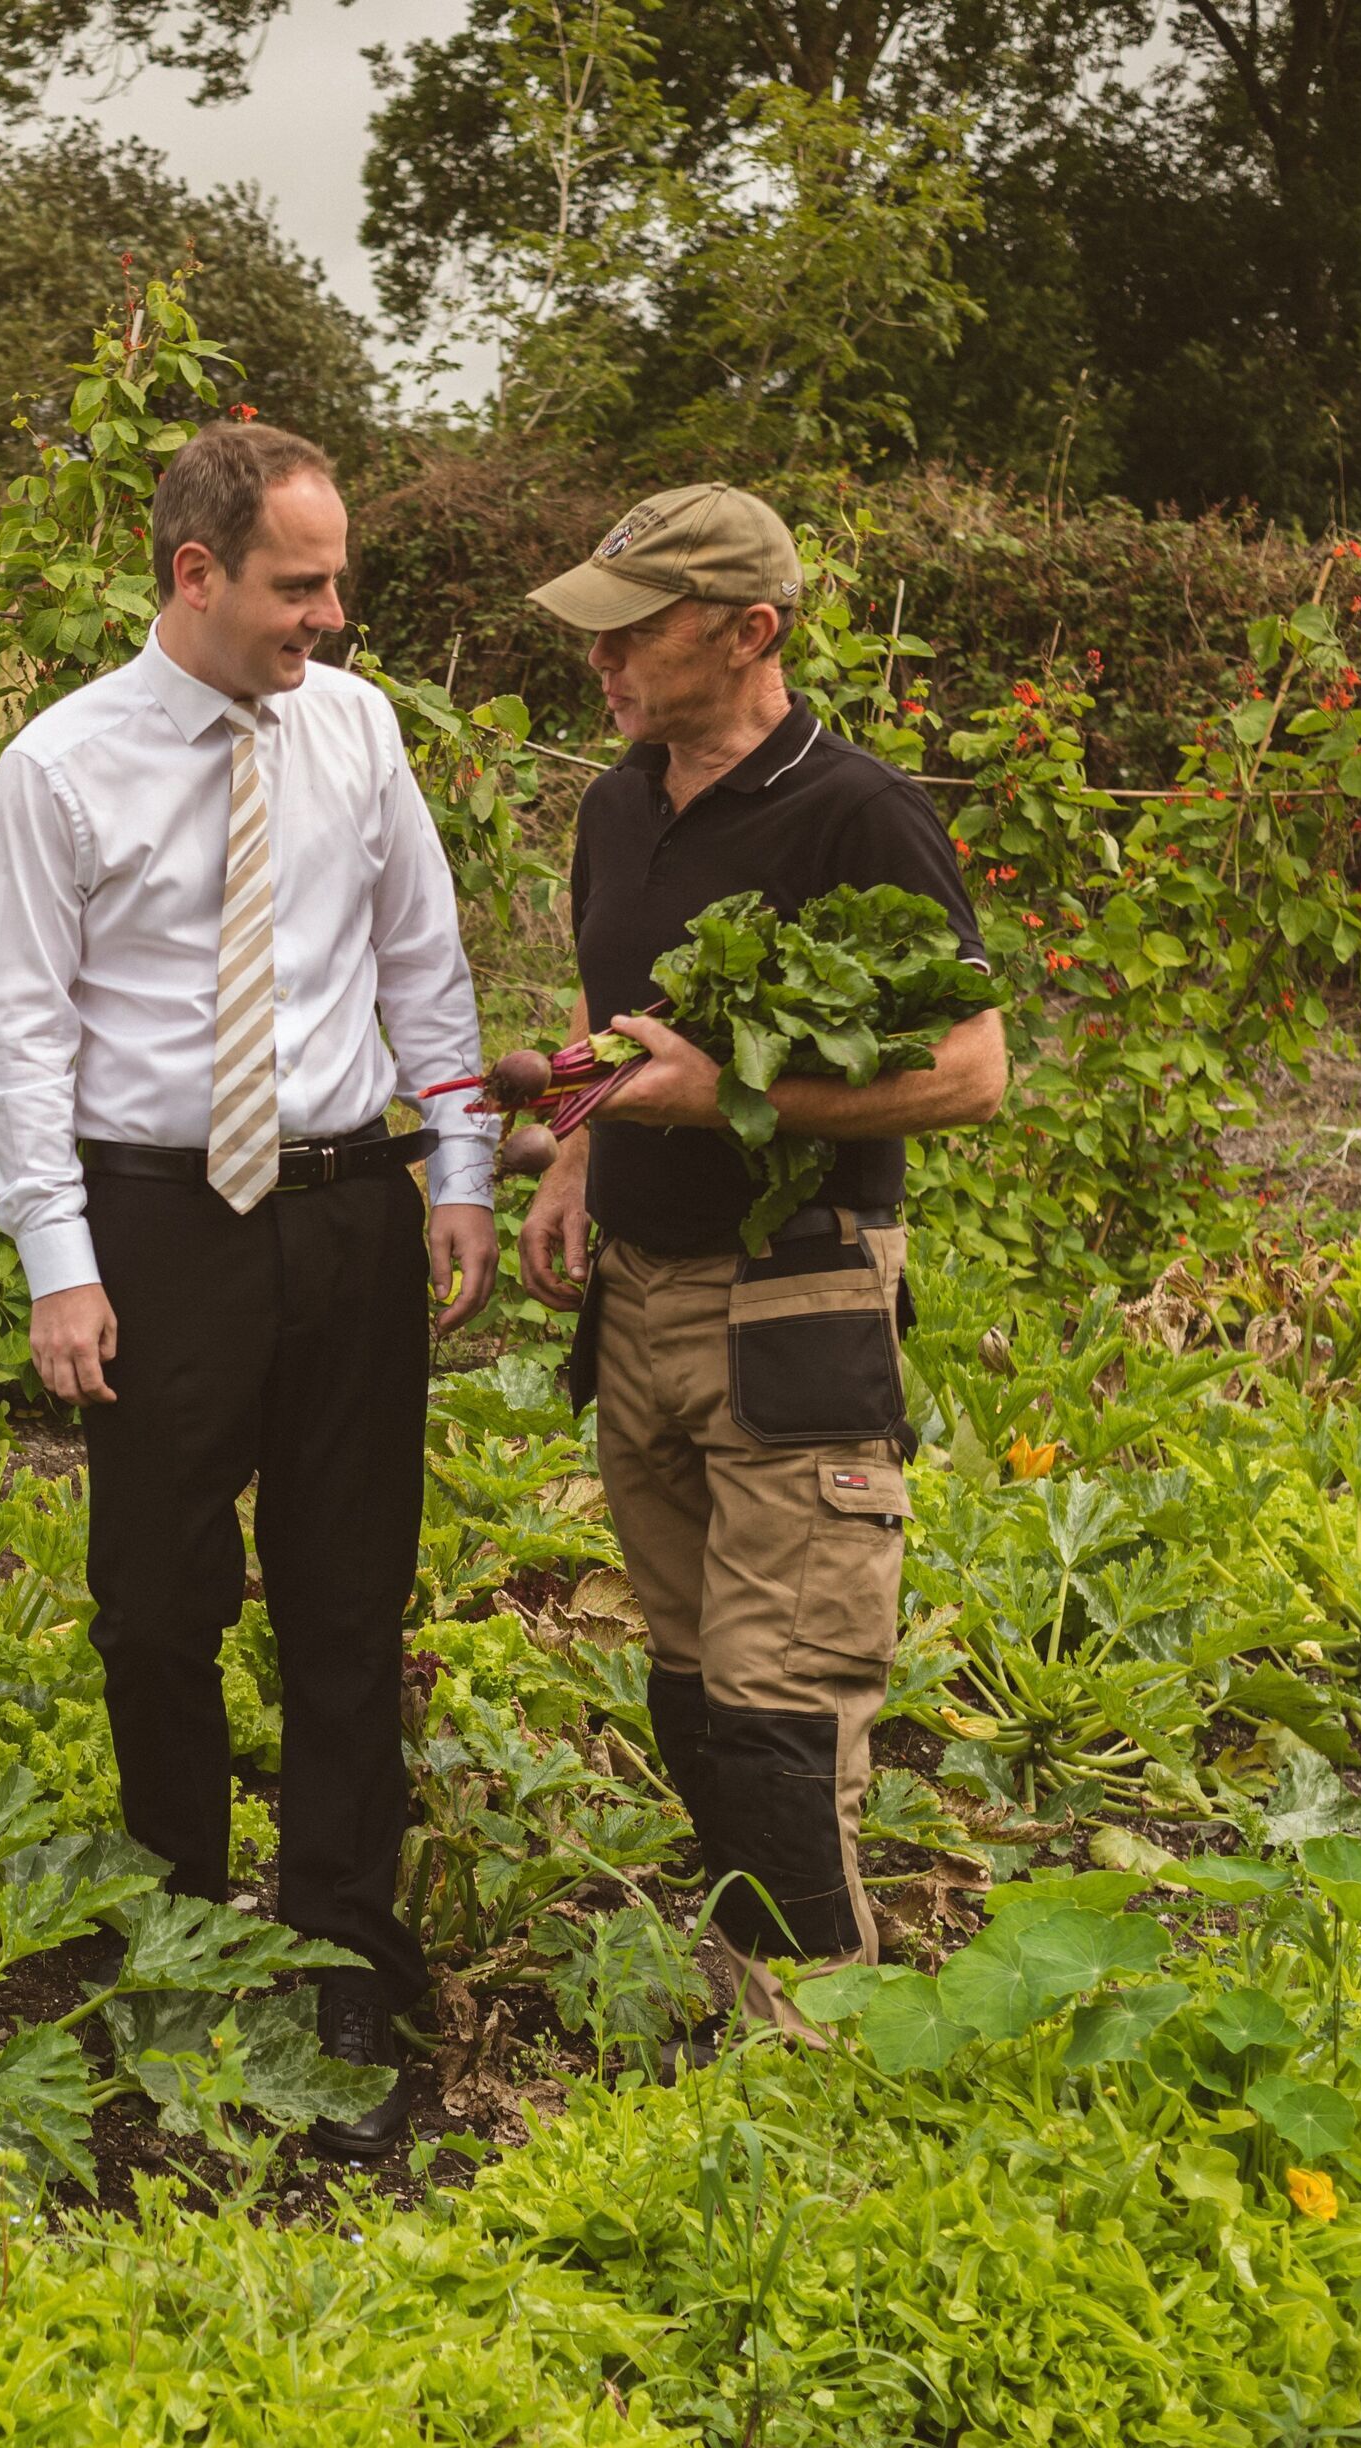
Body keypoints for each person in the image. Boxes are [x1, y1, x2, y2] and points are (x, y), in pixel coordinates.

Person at [0, 419, 499, 2160]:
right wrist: (62, 1266)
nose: (330, 618)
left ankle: (346, 1954)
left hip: (349, 1209)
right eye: (300, 584)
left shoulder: (357, 732)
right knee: (157, 1605)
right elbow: (23, 1038)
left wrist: (464, 1171)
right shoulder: (60, 768)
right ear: (195, 573)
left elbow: (424, 960)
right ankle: (174, 1936)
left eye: (334, 580)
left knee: (351, 1604)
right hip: (163, 1227)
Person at [514, 484, 1005, 2033]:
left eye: (637, 634)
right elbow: (625, 1036)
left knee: (783, 1707)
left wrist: (729, 1094)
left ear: (751, 634)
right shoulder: (616, 806)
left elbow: (973, 1071)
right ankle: (750, 1998)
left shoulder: (854, 813)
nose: (604, 665)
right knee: (692, 1687)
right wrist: (581, 1145)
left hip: (796, 1290)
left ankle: (821, 2048)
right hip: (641, 1297)